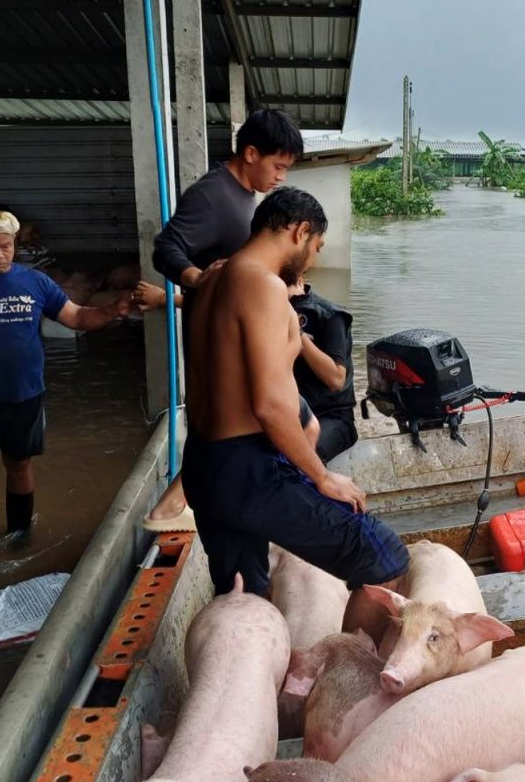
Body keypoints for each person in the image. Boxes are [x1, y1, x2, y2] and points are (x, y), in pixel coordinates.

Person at [181, 187, 407, 632]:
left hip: (203, 465)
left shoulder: (209, 280)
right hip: (249, 469)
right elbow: (270, 403)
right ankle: (344, 677)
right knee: (384, 557)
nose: (311, 263)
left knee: (243, 595)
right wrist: (321, 477)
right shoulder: (261, 285)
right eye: (315, 248)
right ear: (300, 231)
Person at [0, 210, 131, 573]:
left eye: (6, 247)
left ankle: (19, 538)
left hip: (26, 396)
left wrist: (115, 309)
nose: (0, 255)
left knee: (20, 465)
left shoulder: (36, 282)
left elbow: (78, 317)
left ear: (15, 244)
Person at [141, 109, 306, 532]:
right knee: (243, 419)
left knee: (225, 421)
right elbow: (166, 247)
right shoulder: (212, 193)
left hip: (234, 329)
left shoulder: (244, 195)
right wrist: (198, 278)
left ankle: (181, 503)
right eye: (278, 166)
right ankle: (176, 505)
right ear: (250, 153)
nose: (281, 178)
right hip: (216, 332)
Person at [287, 276, 358, 462]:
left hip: (332, 417)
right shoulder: (264, 312)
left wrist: (297, 335)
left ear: (301, 281)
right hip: (289, 414)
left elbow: (336, 379)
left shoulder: (330, 315)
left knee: (302, 457)